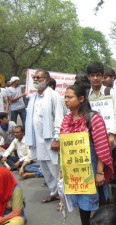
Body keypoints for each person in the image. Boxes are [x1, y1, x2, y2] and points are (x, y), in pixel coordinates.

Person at [60, 84, 113, 225]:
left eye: (70, 97)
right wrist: (63, 171)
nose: (66, 100)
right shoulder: (67, 119)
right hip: (75, 173)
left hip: (92, 169)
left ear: (81, 99)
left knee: (99, 207)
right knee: (83, 208)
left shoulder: (94, 118)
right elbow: (64, 148)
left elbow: (102, 147)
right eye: (65, 97)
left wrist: (100, 172)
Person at [87, 62, 116, 214]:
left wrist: (113, 136)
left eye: (98, 75)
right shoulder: (86, 95)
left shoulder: (110, 92)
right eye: (92, 75)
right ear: (89, 77)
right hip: (94, 141)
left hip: (110, 140)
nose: (95, 78)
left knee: (115, 177)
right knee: (98, 173)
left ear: (103, 77)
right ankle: (103, 209)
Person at [25, 69, 65, 203]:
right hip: (37, 140)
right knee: (45, 170)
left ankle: (64, 197)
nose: (35, 79)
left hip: (50, 140)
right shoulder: (33, 97)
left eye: (39, 77)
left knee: (55, 169)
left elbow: (59, 117)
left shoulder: (54, 96)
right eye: (34, 77)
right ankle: (54, 193)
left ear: (47, 80)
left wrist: (57, 138)